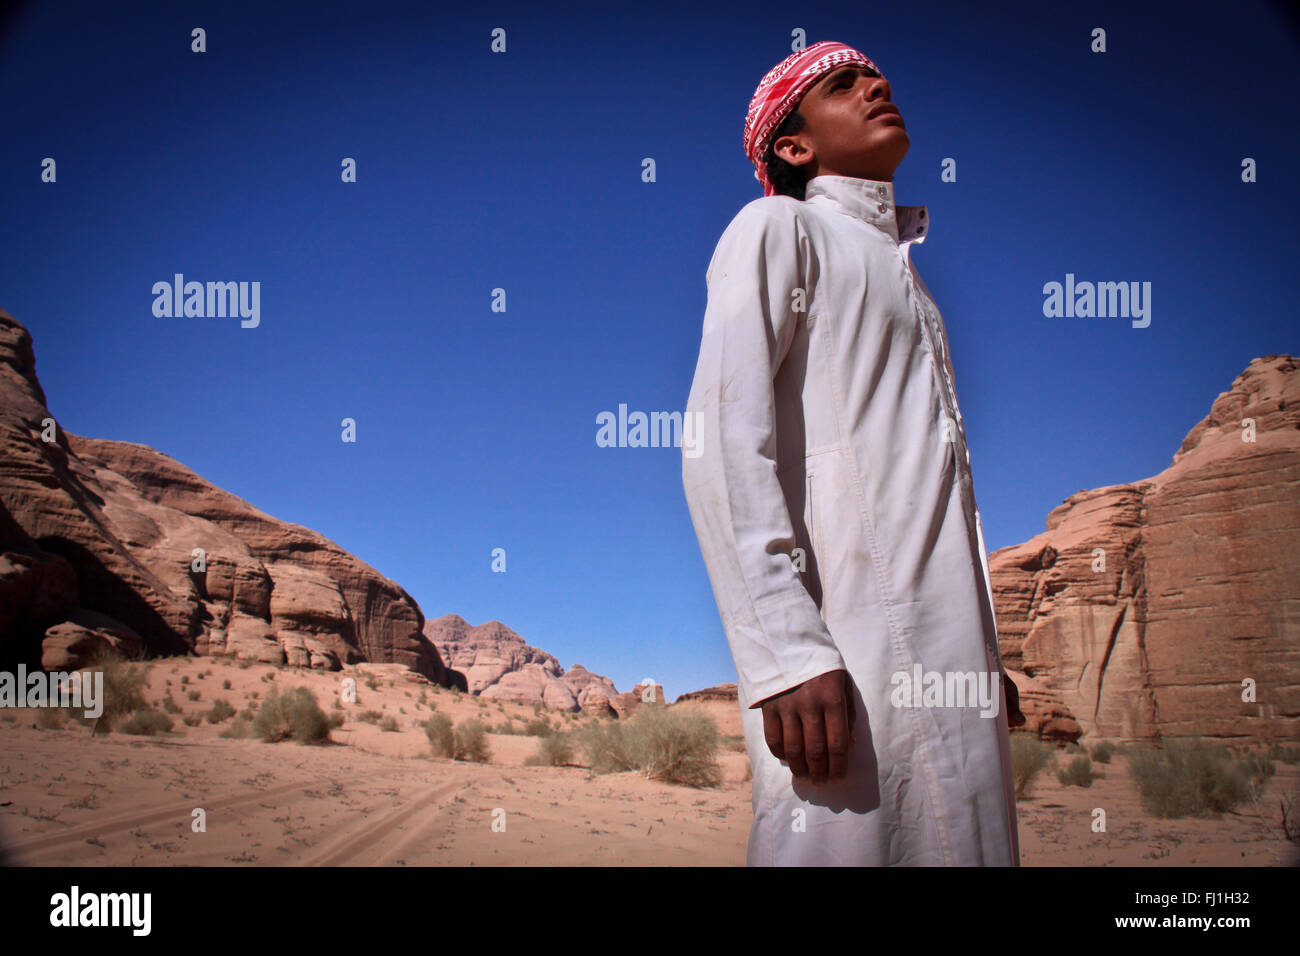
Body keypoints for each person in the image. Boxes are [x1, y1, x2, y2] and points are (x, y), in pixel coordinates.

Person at [681, 40, 1024, 866]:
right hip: (843, 668)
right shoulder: (778, 227)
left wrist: (983, 656)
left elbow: (937, 493)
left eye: (879, 77)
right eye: (844, 84)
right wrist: (786, 653)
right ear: (794, 146)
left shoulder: (913, 286)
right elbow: (719, 442)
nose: (877, 85)